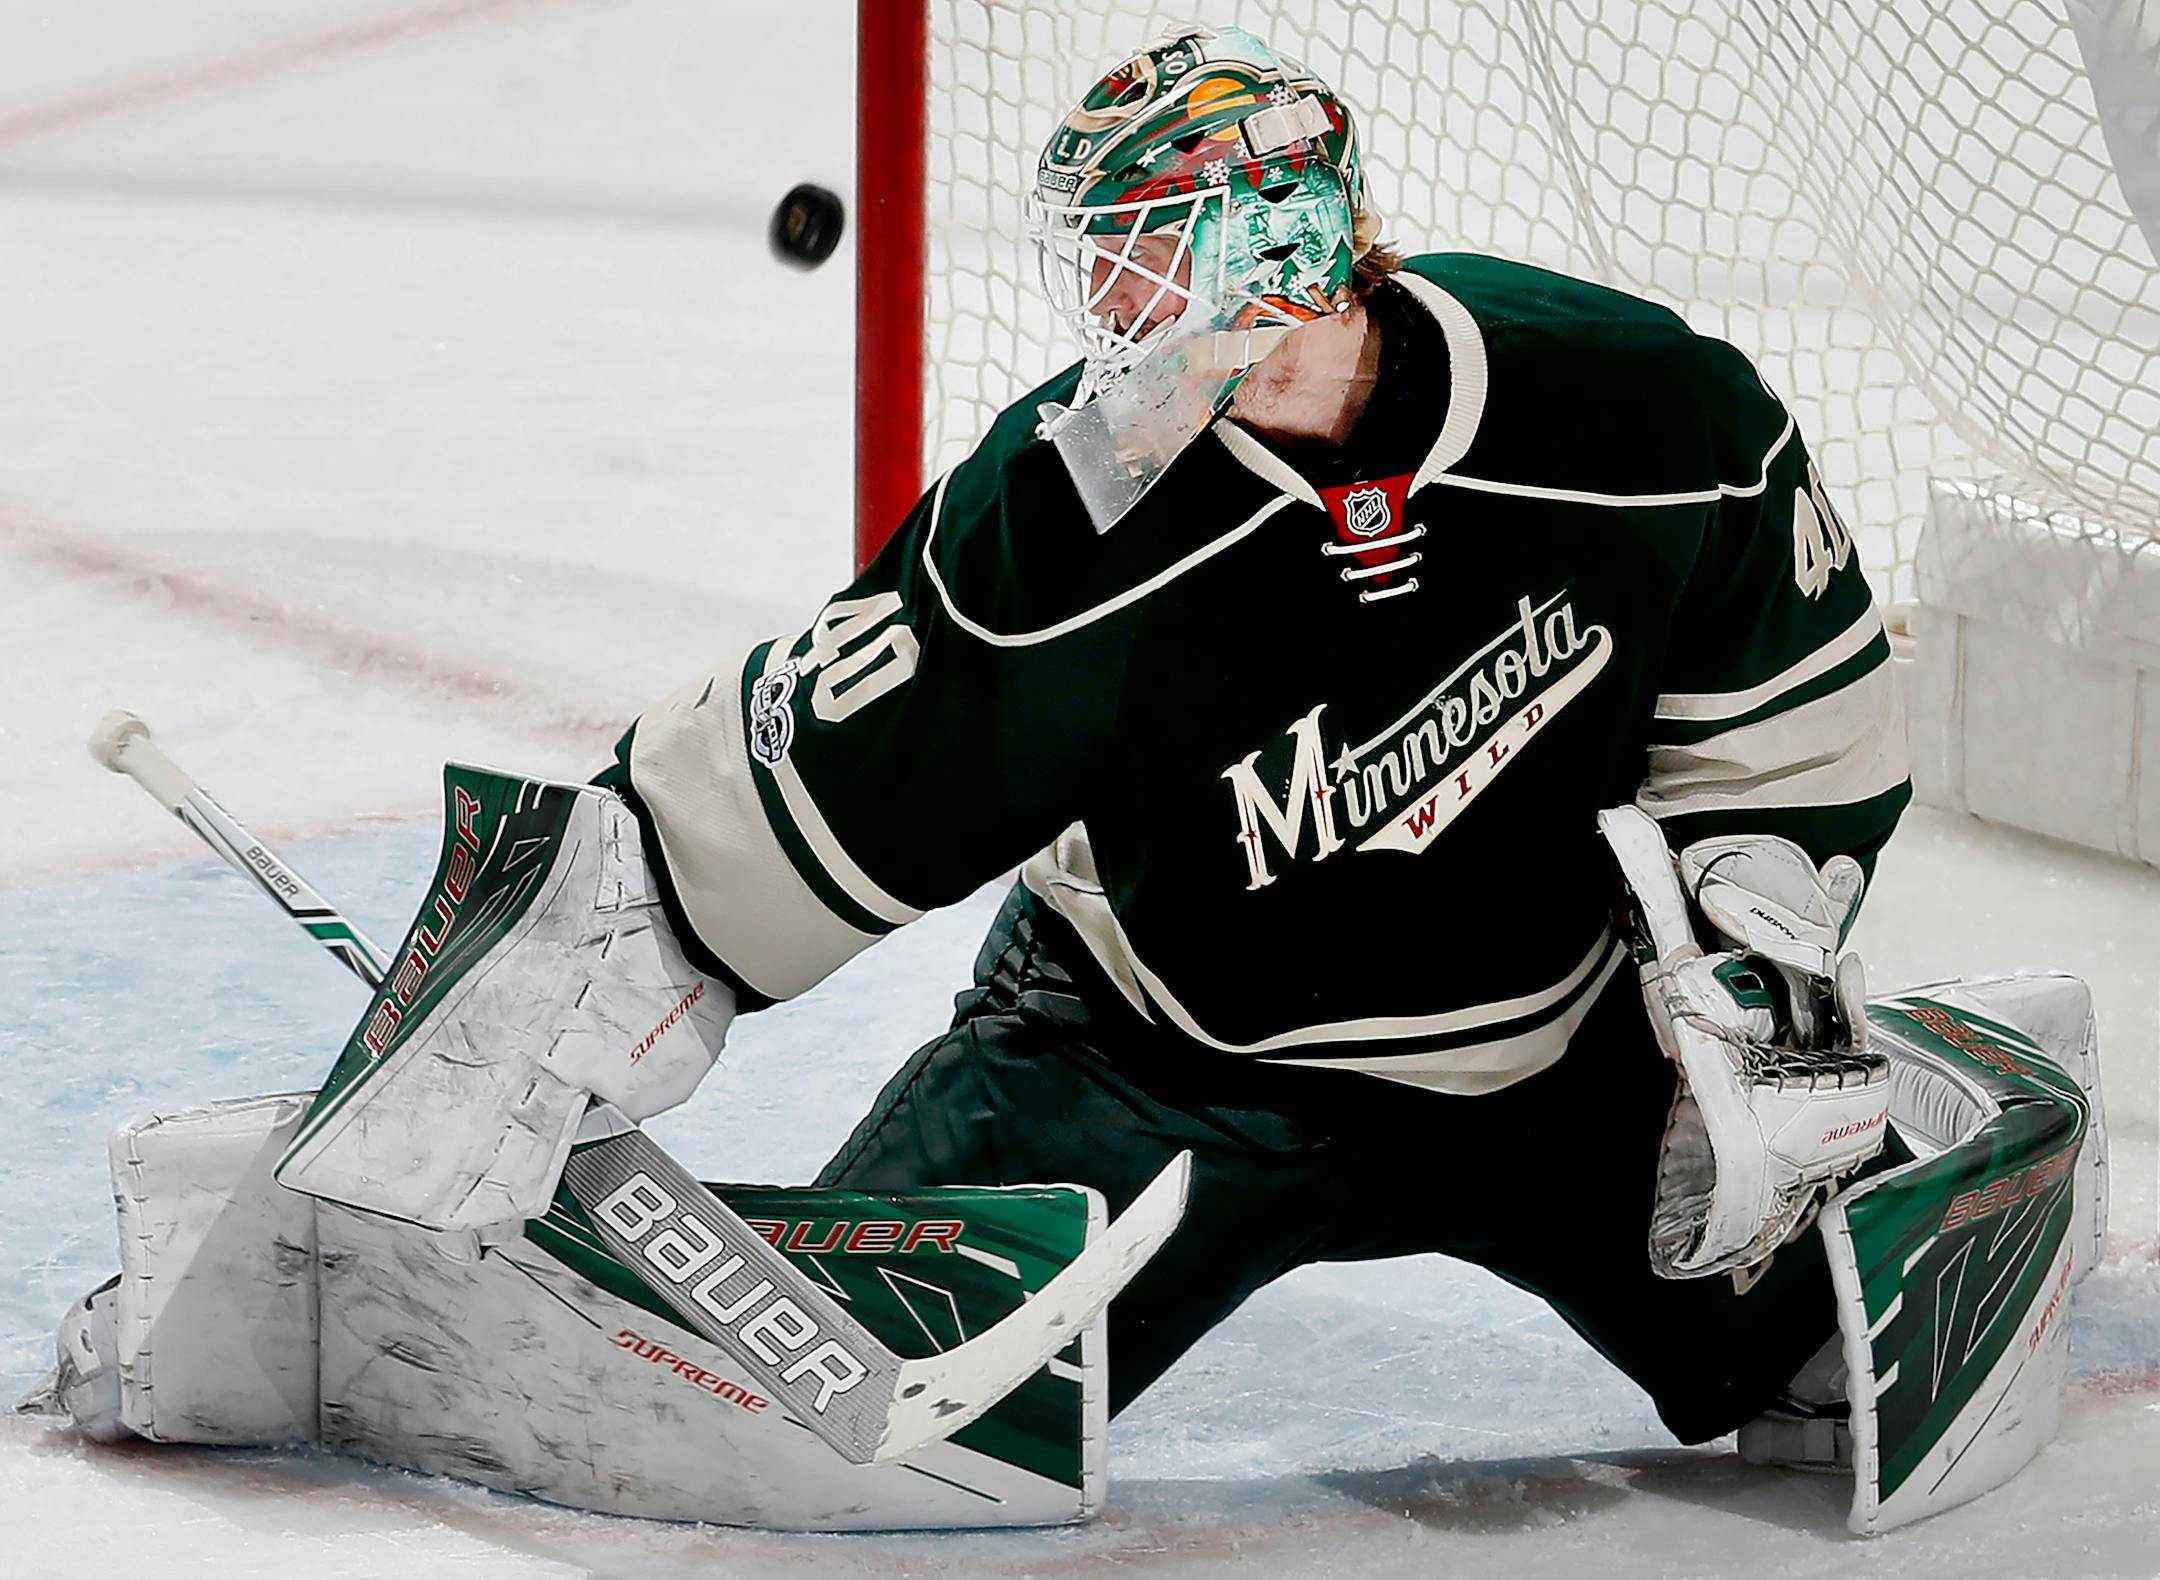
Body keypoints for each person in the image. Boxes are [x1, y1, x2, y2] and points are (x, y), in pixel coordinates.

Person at [274, 24, 1912, 1451]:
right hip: (1146, 1074)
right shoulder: (1066, 518)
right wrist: (610, 935)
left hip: (1562, 1069)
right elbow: (839, 763)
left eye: (1146, 238)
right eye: (1103, 247)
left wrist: (1754, 963)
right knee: (819, 1411)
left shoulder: (1633, 404)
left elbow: (1785, 713)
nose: (1110, 294)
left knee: (1845, 1355)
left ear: (1281, 233)